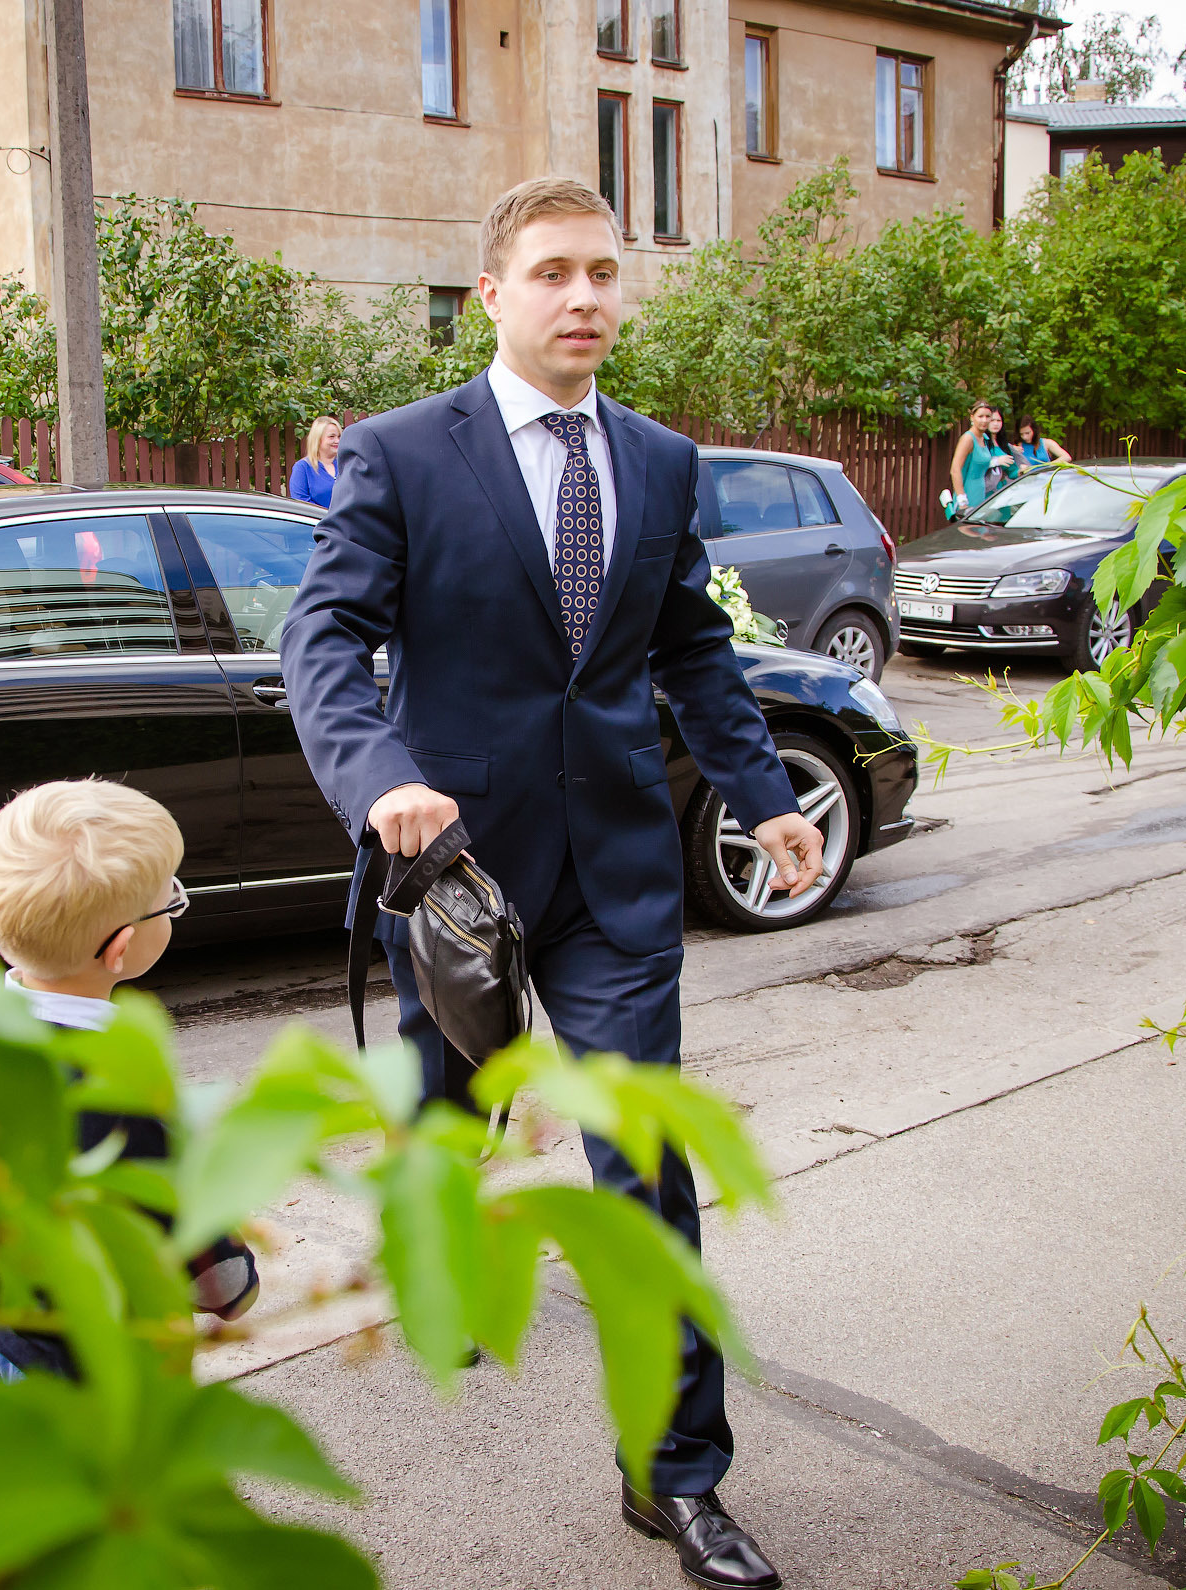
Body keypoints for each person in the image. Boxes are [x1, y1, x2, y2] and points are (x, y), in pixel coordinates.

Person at [283, 176, 821, 1590]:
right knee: (449, 1106)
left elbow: (691, 649)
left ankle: (675, 1475)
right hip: (451, 869)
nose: (585, 297)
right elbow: (324, 638)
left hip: (617, 879)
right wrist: (376, 775)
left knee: (642, 1163)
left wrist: (765, 799)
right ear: (494, 297)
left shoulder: (659, 459)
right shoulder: (402, 455)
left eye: (603, 273)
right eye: (553, 274)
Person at [0, 779, 260, 1382]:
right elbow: (215, 1278)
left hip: (8, 1337)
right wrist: (240, 1282)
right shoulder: (127, 1092)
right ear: (121, 949)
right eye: (169, 899)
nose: (176, 903)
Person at [948, 400, 1017, 510]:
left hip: (981, 493)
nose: (984, 420)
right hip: (968, 494)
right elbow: (955, 470)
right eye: (980, 416)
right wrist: (962, 500)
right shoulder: (968, 438)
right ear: (972, 417)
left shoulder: (984, 438)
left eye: (987, 416)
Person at [289, 416, 342, 507]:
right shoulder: (302, 468)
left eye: (339, 436)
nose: (337, 441)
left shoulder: (346, 465)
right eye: (331, 437)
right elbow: (301, 504)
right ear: (318, 439)